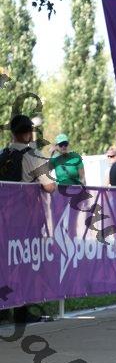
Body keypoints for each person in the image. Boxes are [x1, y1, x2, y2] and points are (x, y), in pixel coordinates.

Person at [0, 114, 56, 324]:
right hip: (26, 220)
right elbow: (50, 186)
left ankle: (3, 310)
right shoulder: (33, 156)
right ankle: (21, 313)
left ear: (13, 133)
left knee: (5, 263)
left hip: (4, 219)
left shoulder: (2, 154)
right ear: (29, 133)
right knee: (24, 264)